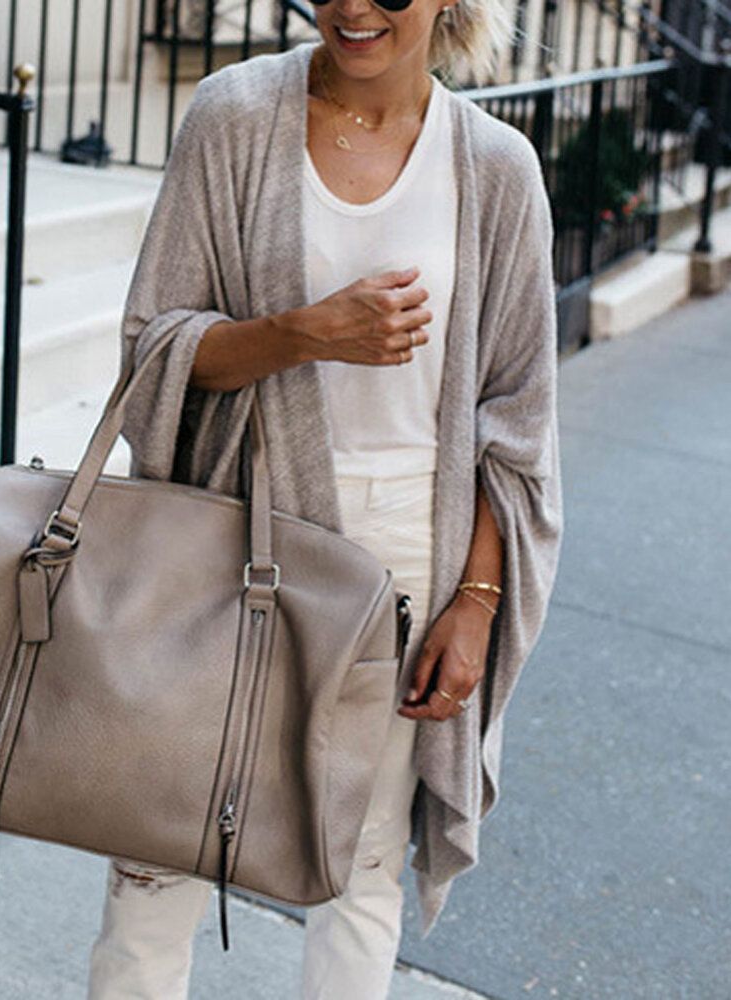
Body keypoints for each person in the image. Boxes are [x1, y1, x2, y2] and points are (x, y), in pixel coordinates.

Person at [87, 0, 563, 996]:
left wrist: (476, 604)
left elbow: (516, 424)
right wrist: (304, 332)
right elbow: (154, 347)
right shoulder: (232, 116)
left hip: (408, 555)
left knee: (363, 868)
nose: (355, 7)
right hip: (227, 532)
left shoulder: (497, 170)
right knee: (158, 858)